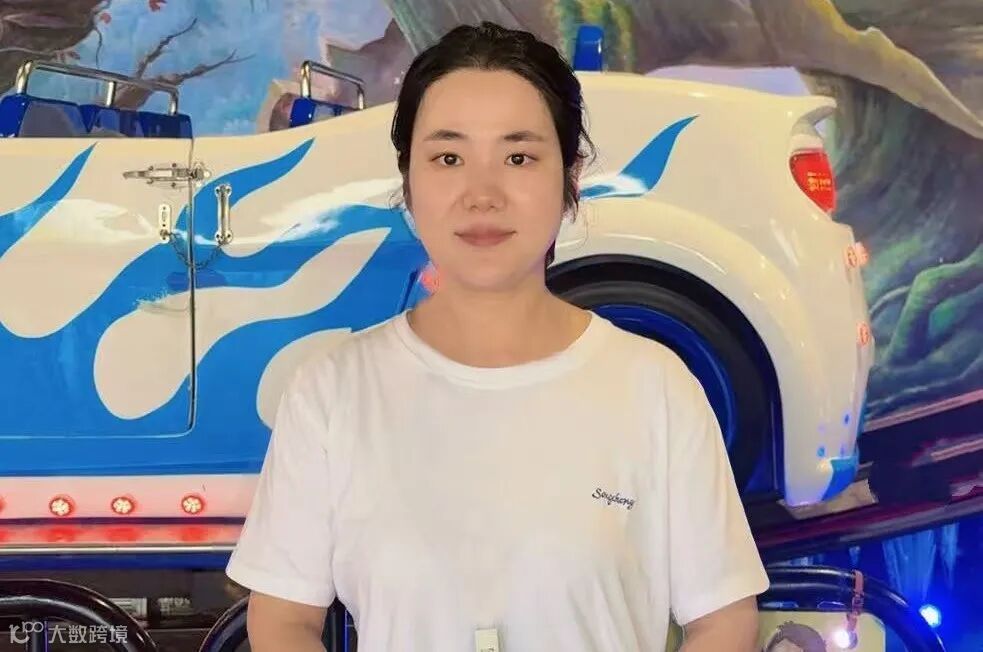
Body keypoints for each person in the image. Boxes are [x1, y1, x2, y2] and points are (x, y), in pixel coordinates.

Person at [225, 20, 770, 652]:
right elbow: (283, 619)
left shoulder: (656, 388)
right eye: (448, 158)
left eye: (518, 157)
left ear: (570, 178)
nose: (481, 195)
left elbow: (723, 619)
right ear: (408, 183)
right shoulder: (332, 393)